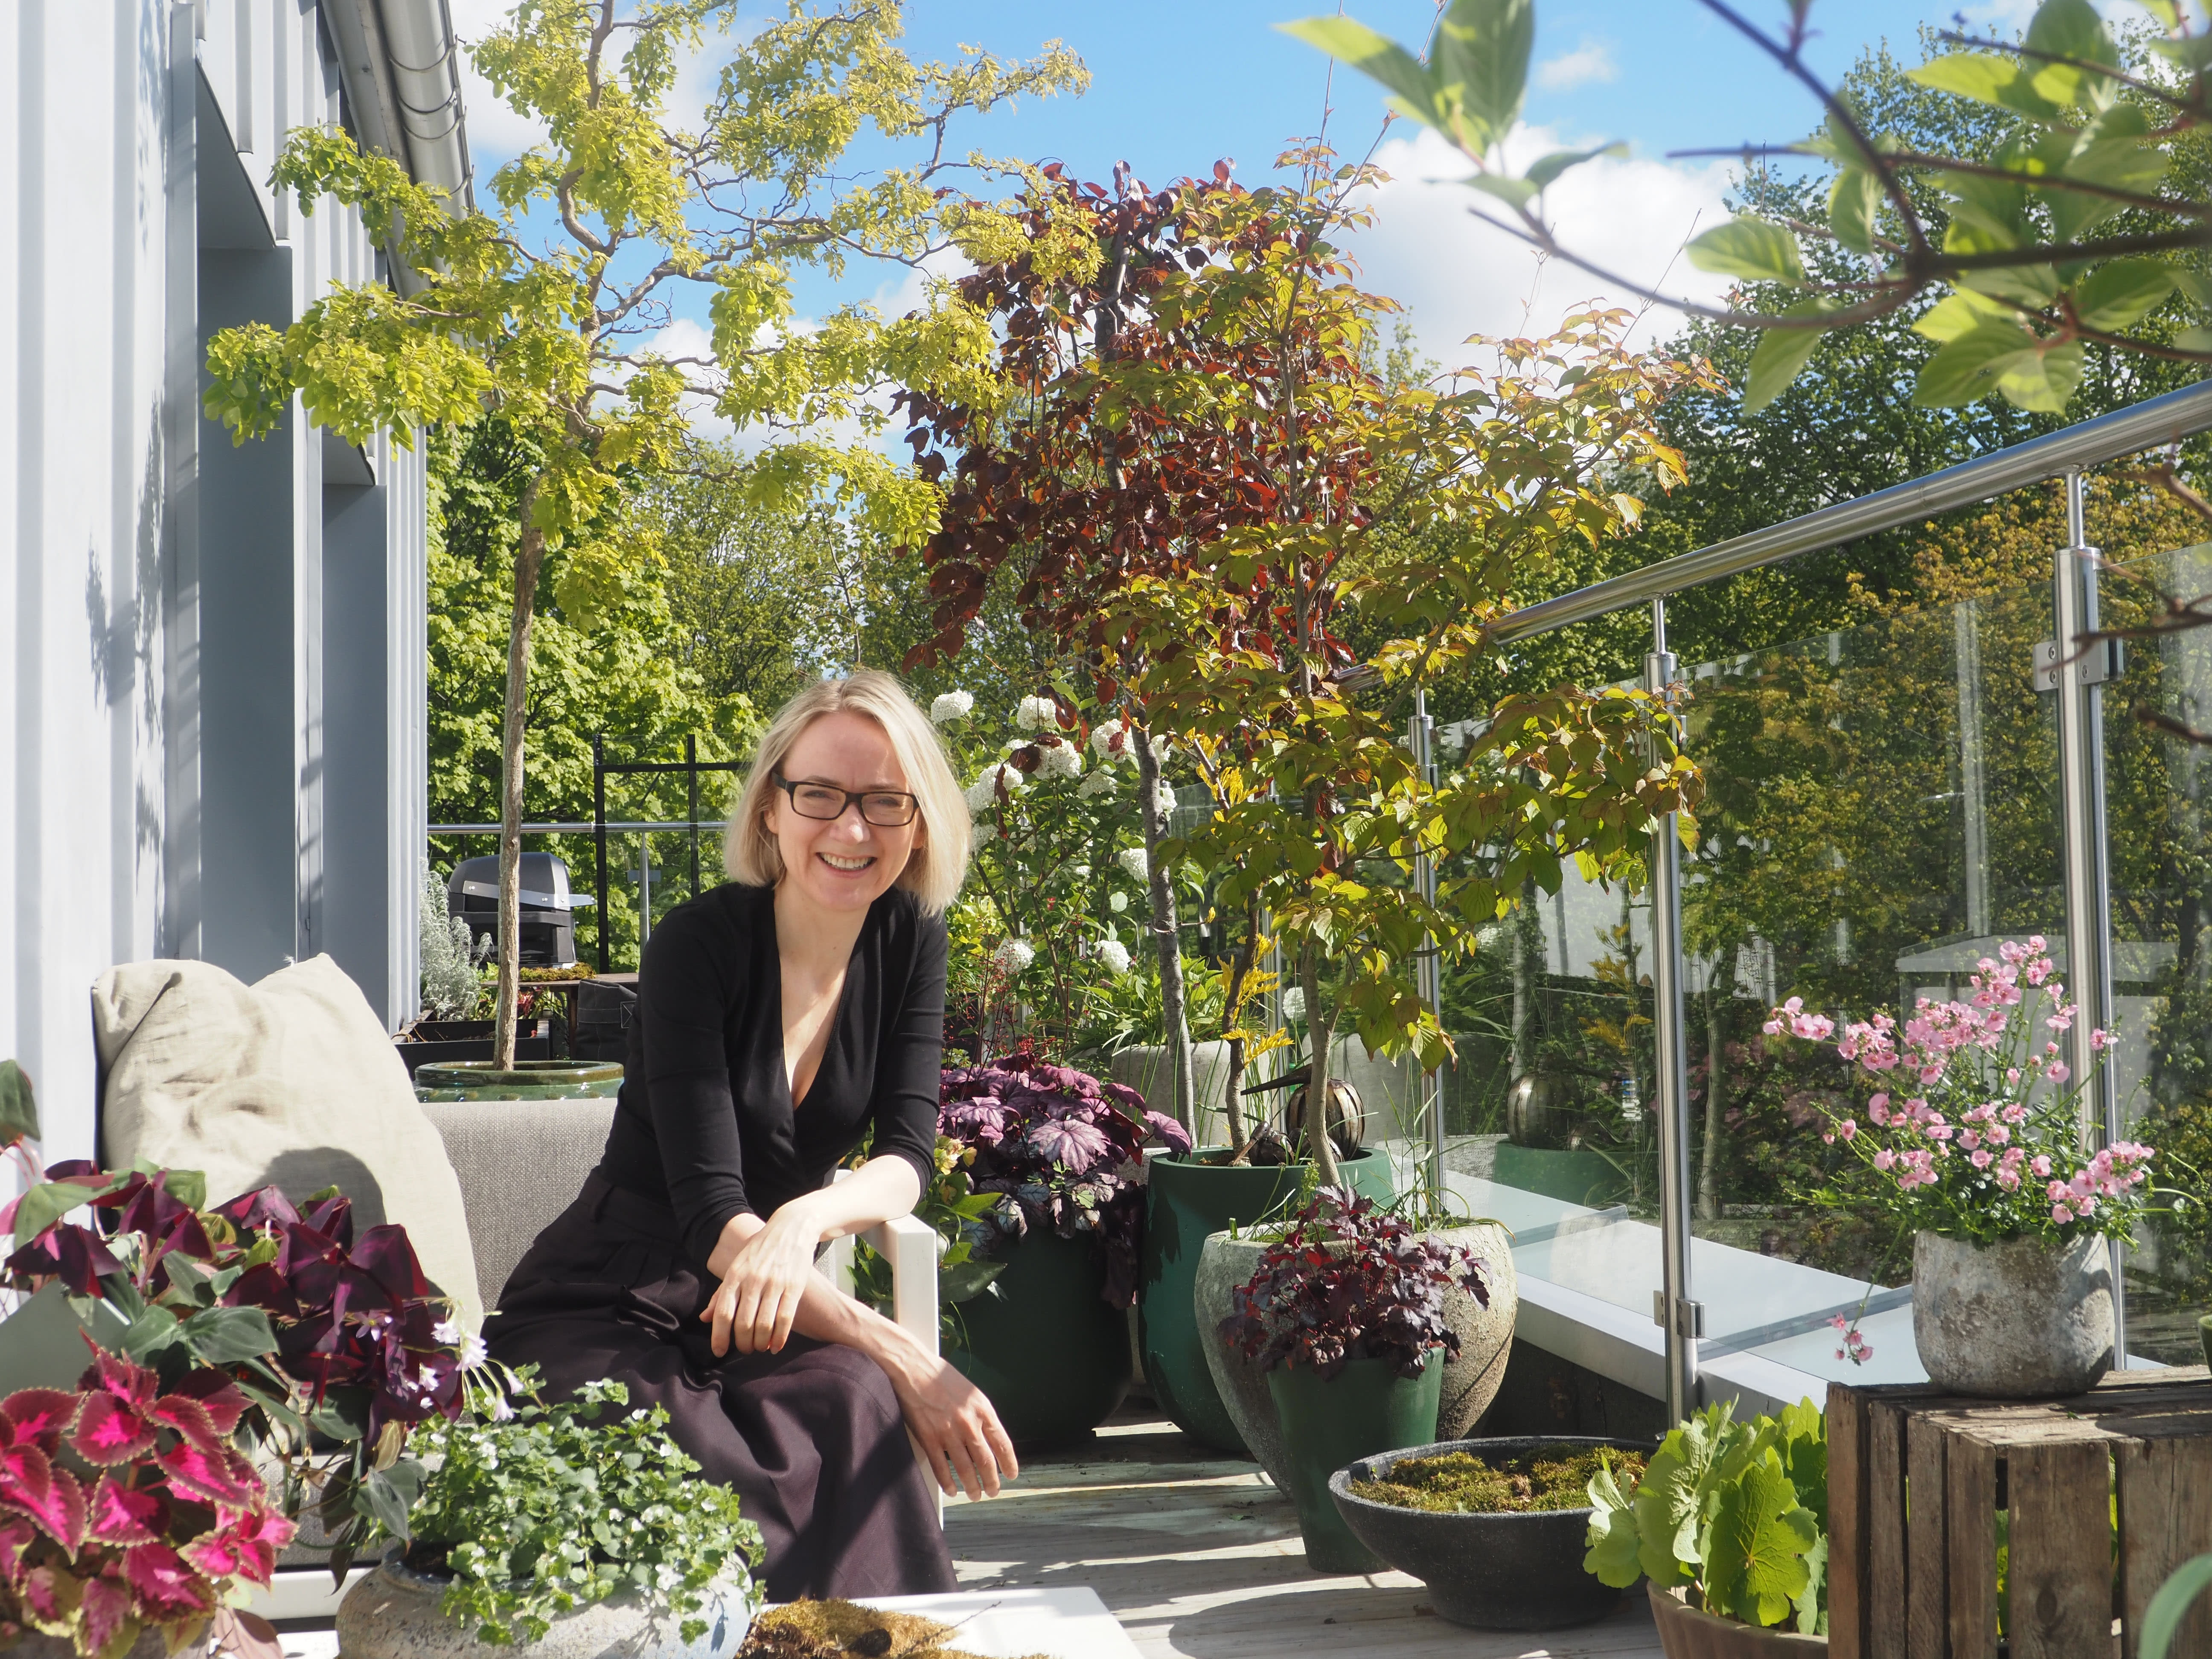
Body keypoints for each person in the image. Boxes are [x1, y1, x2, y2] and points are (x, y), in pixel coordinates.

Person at [489, 671, 1016, 1601]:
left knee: (851, 1404)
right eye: (820, 795)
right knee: (725, 1462)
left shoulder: (911, 938)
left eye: (885, 801)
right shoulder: (695, 945)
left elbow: (907, 1156)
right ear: (772, 808)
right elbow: (710, 1215)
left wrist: (804, 1219)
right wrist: (905, 1352)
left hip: (764, 1301)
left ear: (920, 824)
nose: (851, 829)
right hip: (614, 1296)